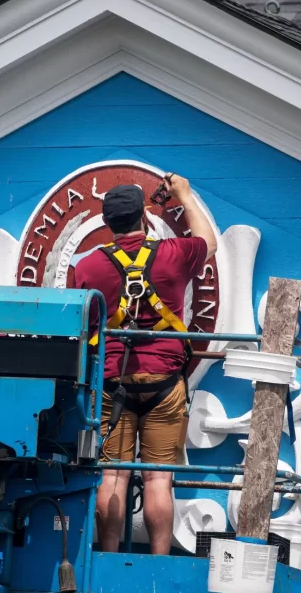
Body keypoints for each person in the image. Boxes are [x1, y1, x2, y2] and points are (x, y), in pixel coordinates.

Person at [70, 173, 217, 555]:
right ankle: (158, 563)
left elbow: (82, 324)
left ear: (107, 223)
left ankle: (107, 557)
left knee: (112, 477)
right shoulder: (172, 254)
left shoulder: (88, 267)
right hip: (164, 382)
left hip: (112, 382)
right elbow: (209, 242)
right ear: (144, 218)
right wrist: (184, 193)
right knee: (157, 480)